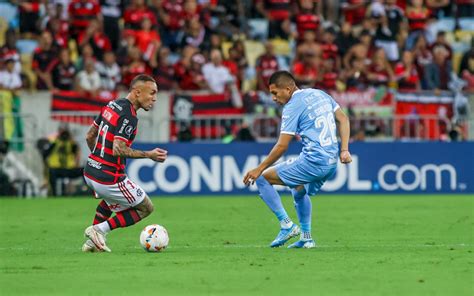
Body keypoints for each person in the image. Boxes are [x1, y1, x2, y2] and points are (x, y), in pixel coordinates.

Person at [243, 71, 352, 249]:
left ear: (288, 89)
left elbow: (282, 146)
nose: (273, 98)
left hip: (314, 160)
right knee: (298, 190)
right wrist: (345, 150)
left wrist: (259, 168)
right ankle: (307, 238)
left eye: (275, 93)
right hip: (331, 162)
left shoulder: (292, 106)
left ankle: (286, 225)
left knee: (262, 177)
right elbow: (343, 119)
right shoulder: (319, 94)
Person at [82, 74, 168, 252]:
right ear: (137, 92)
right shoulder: (129, 116)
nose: (155, 98)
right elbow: (118, 149)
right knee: (146, 207)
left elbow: (89, 135)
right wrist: (149, 155)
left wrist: (98, 160)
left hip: (90, 171)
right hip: (108, 178)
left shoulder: (112, 105)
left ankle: (91, 244)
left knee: (109, 202)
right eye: (152, 93)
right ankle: (98, 230)